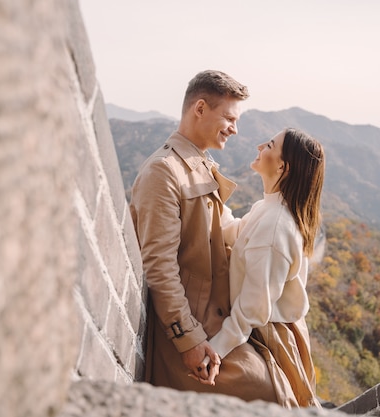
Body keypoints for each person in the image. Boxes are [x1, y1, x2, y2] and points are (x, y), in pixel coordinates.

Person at [130, 70, 277, 401]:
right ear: (199, 108)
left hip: (215, 320)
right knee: (268, 391)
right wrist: (190, 341)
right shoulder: (163, 171)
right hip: (190, 332)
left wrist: (279, 220)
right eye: (228, 117)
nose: (234, 129)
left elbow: (227, 229)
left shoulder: (199, 164)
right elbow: (159, 266)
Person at [203, 128, 325, 407]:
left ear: (282, 166)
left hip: (268, 332)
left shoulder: (276, 227)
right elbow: (232, 232)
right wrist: (211, 189)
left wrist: (217, 349)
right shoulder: (267, 208)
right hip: (257, 320)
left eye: (269, 145)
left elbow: (255, 307)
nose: (260, 146)